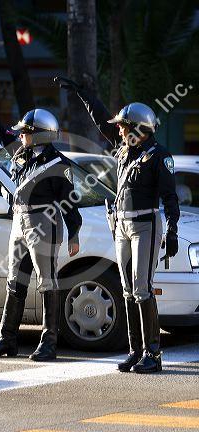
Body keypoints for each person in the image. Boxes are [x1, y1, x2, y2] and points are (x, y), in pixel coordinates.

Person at [55, 77, 180, 373]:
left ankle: (153, 353)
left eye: (125, 126)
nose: (120, 131)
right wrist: (84, 94)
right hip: (121, 225)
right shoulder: (125, 151)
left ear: (139, 129)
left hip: (145, 225)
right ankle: (135, 350)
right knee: (126, 290)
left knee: (142, 288)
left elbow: (170, 197)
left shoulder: (159, 156)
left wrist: (172, 229)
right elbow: (102, 122)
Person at [0, 78, 82, 361]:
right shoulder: (21, 154)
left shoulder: (59, 165)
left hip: (44, 222)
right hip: (19, 221)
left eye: (26, 132)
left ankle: (49, 342)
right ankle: (7, 339)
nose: (20, 135)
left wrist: (74, 233)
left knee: (47, 282)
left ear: (41, 135)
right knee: (14, 281)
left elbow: (70, 202)